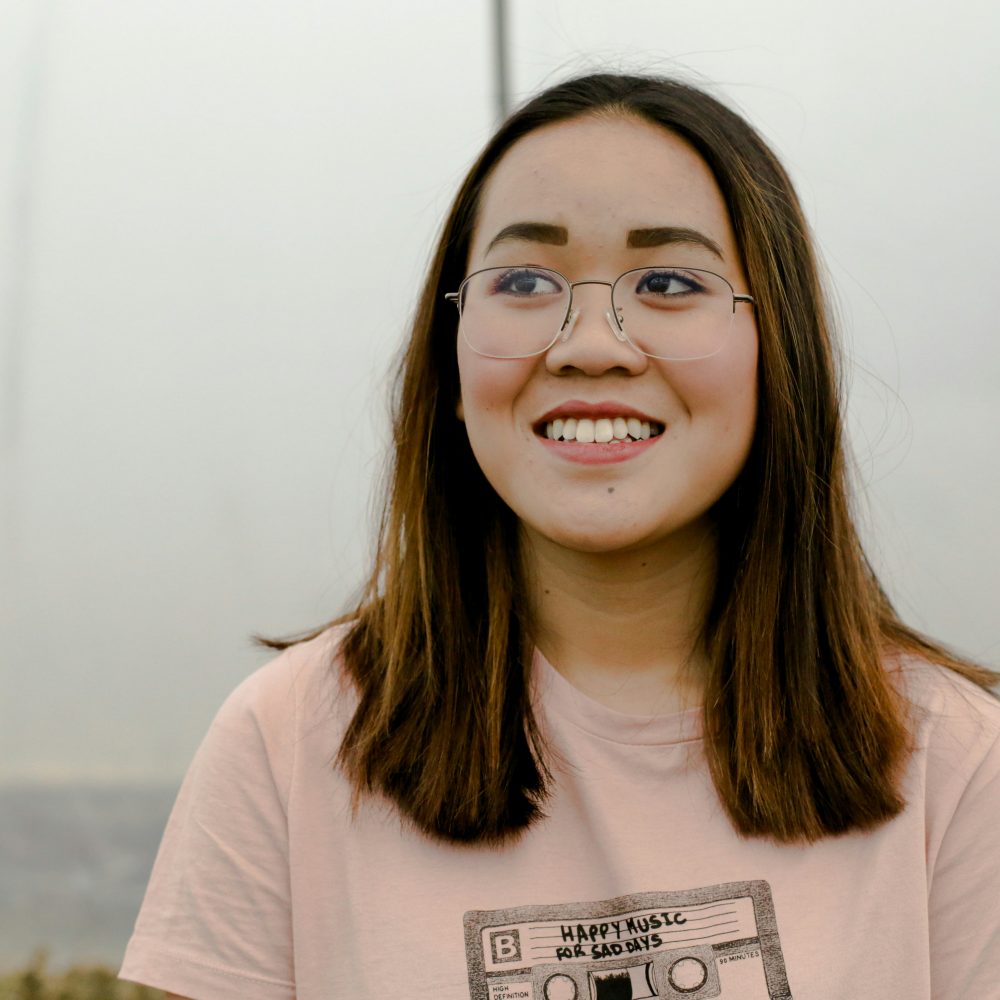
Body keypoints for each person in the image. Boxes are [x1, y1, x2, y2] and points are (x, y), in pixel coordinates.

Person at [119, 73, 1000, 1000]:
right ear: (451, 360)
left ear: (777, 352)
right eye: (525, 281)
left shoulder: (957, 760)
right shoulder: (291, 738)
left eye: (667, 282)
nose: (590, 343)